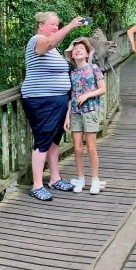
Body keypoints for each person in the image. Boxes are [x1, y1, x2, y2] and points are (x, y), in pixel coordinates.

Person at [21, 11, 83, 201]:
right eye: (52, 24)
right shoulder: (37, 40)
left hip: (58, 100)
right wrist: (71, 25)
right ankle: (37, 184)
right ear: (41, 26)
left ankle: (55, 178)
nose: (56, 27)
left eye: (58, 24)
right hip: (41, 100)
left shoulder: (54, 47)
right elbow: (47, 44)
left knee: (54, 140)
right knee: (42, 139)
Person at [64, 37, 106, 195]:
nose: (78, 50)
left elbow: (102, 89)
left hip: (90, 111)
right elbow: (71, 96)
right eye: (75, 50)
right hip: (75, 113)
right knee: (77, 148)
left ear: (87, 53)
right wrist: (67, 116)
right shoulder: (72, 73)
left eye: (81, 48)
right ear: (72, 56)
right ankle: (80, 178)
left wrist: (87, 95)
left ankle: (95, 180)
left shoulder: (94, 68)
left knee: (91, 148)